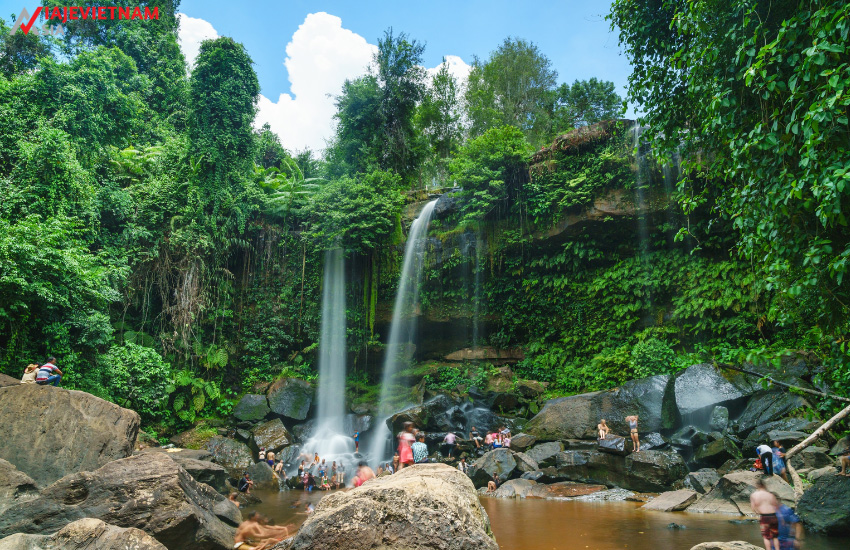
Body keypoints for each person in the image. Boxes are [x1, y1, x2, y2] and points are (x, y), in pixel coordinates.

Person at [750, 477, 780, 550]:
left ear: (757, 486)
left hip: (764, 517)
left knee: (766, 537)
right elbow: (776, 506)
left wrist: (758, 512)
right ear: (764, 485)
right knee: (775, 536)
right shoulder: (770, 495)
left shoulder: (754, 495)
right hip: (773, 516)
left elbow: (753, 507)